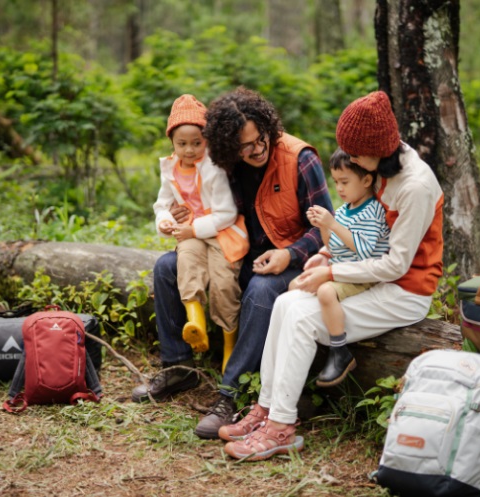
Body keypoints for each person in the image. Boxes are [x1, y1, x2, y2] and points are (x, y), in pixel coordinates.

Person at [218, 90, 444, 461]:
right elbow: (356, 230)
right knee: (286, 302)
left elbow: (397, 266)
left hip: (404, 290)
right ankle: (266, 408)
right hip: (365, 277)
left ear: (377, 150)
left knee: (304, 318)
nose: (350, 162)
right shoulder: (379, 165)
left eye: (355, 155)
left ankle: (282, 428)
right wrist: (324, 255)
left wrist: (330, 271)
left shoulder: (414, 187)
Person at [131, 87, 334, 441]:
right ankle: (178, 367)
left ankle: (231, 394)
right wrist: (182, 212)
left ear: (269, 129)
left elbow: (327, 227)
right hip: (238, 250)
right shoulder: (226, 163)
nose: (255, 150)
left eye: (261, 140)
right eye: (244, 146)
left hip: (291, 259)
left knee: (260, 289)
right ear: (227, 145)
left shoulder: (300, 159)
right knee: (167, 267)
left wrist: (290, 254)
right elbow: (210, 206)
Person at [152, 94, 248, 372]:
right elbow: (161, 204)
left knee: (223, 283)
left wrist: (193, 228)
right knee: (187, 263)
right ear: (172, 142)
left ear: (207, 139)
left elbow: (227, 213)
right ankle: (196, 322)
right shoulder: (169, 168)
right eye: (182, 144)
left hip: (221, 232)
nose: (190, 150)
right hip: (191, 232)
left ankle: (230, 345)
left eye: (197, 143)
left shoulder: (213, 168)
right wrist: (166, 220)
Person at [289, 147, 390, 387]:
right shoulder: (345, 210)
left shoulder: (373, 210)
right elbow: (333, 246)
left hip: (363, 273)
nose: (340, 189)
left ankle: (339, 350)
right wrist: (324, 226)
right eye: (336, 182)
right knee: (295, 283)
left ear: (366, 180)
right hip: (341, 269)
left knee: (325, 291)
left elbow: (364, 249)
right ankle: (305, 340)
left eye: (345, 181)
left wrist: (332, 223)